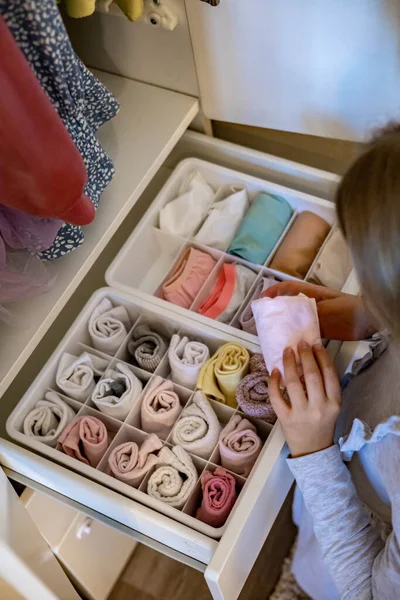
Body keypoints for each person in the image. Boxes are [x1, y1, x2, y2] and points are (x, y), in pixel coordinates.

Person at [264, 124, 400, 600]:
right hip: (358, 480)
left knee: (321, 572)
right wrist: (370, 315)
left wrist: (314, 451)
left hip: (360, 542)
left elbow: (369, 592)